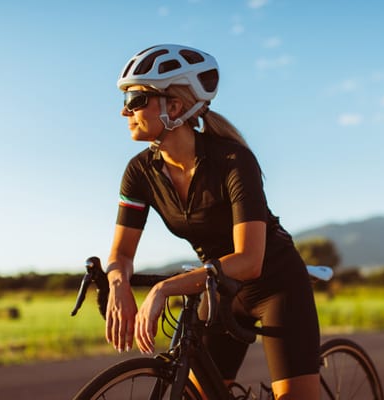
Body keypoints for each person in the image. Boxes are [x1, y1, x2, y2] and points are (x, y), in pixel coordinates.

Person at [105, 44, 321, 399]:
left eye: (135, 99)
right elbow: (121, 254)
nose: (124, 110)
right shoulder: (139, 173)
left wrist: (164, 288)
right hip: (218, 288)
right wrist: (118, 285)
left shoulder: (234, 161)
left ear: (173, 106)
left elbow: (249, 262)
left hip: (275, 284)